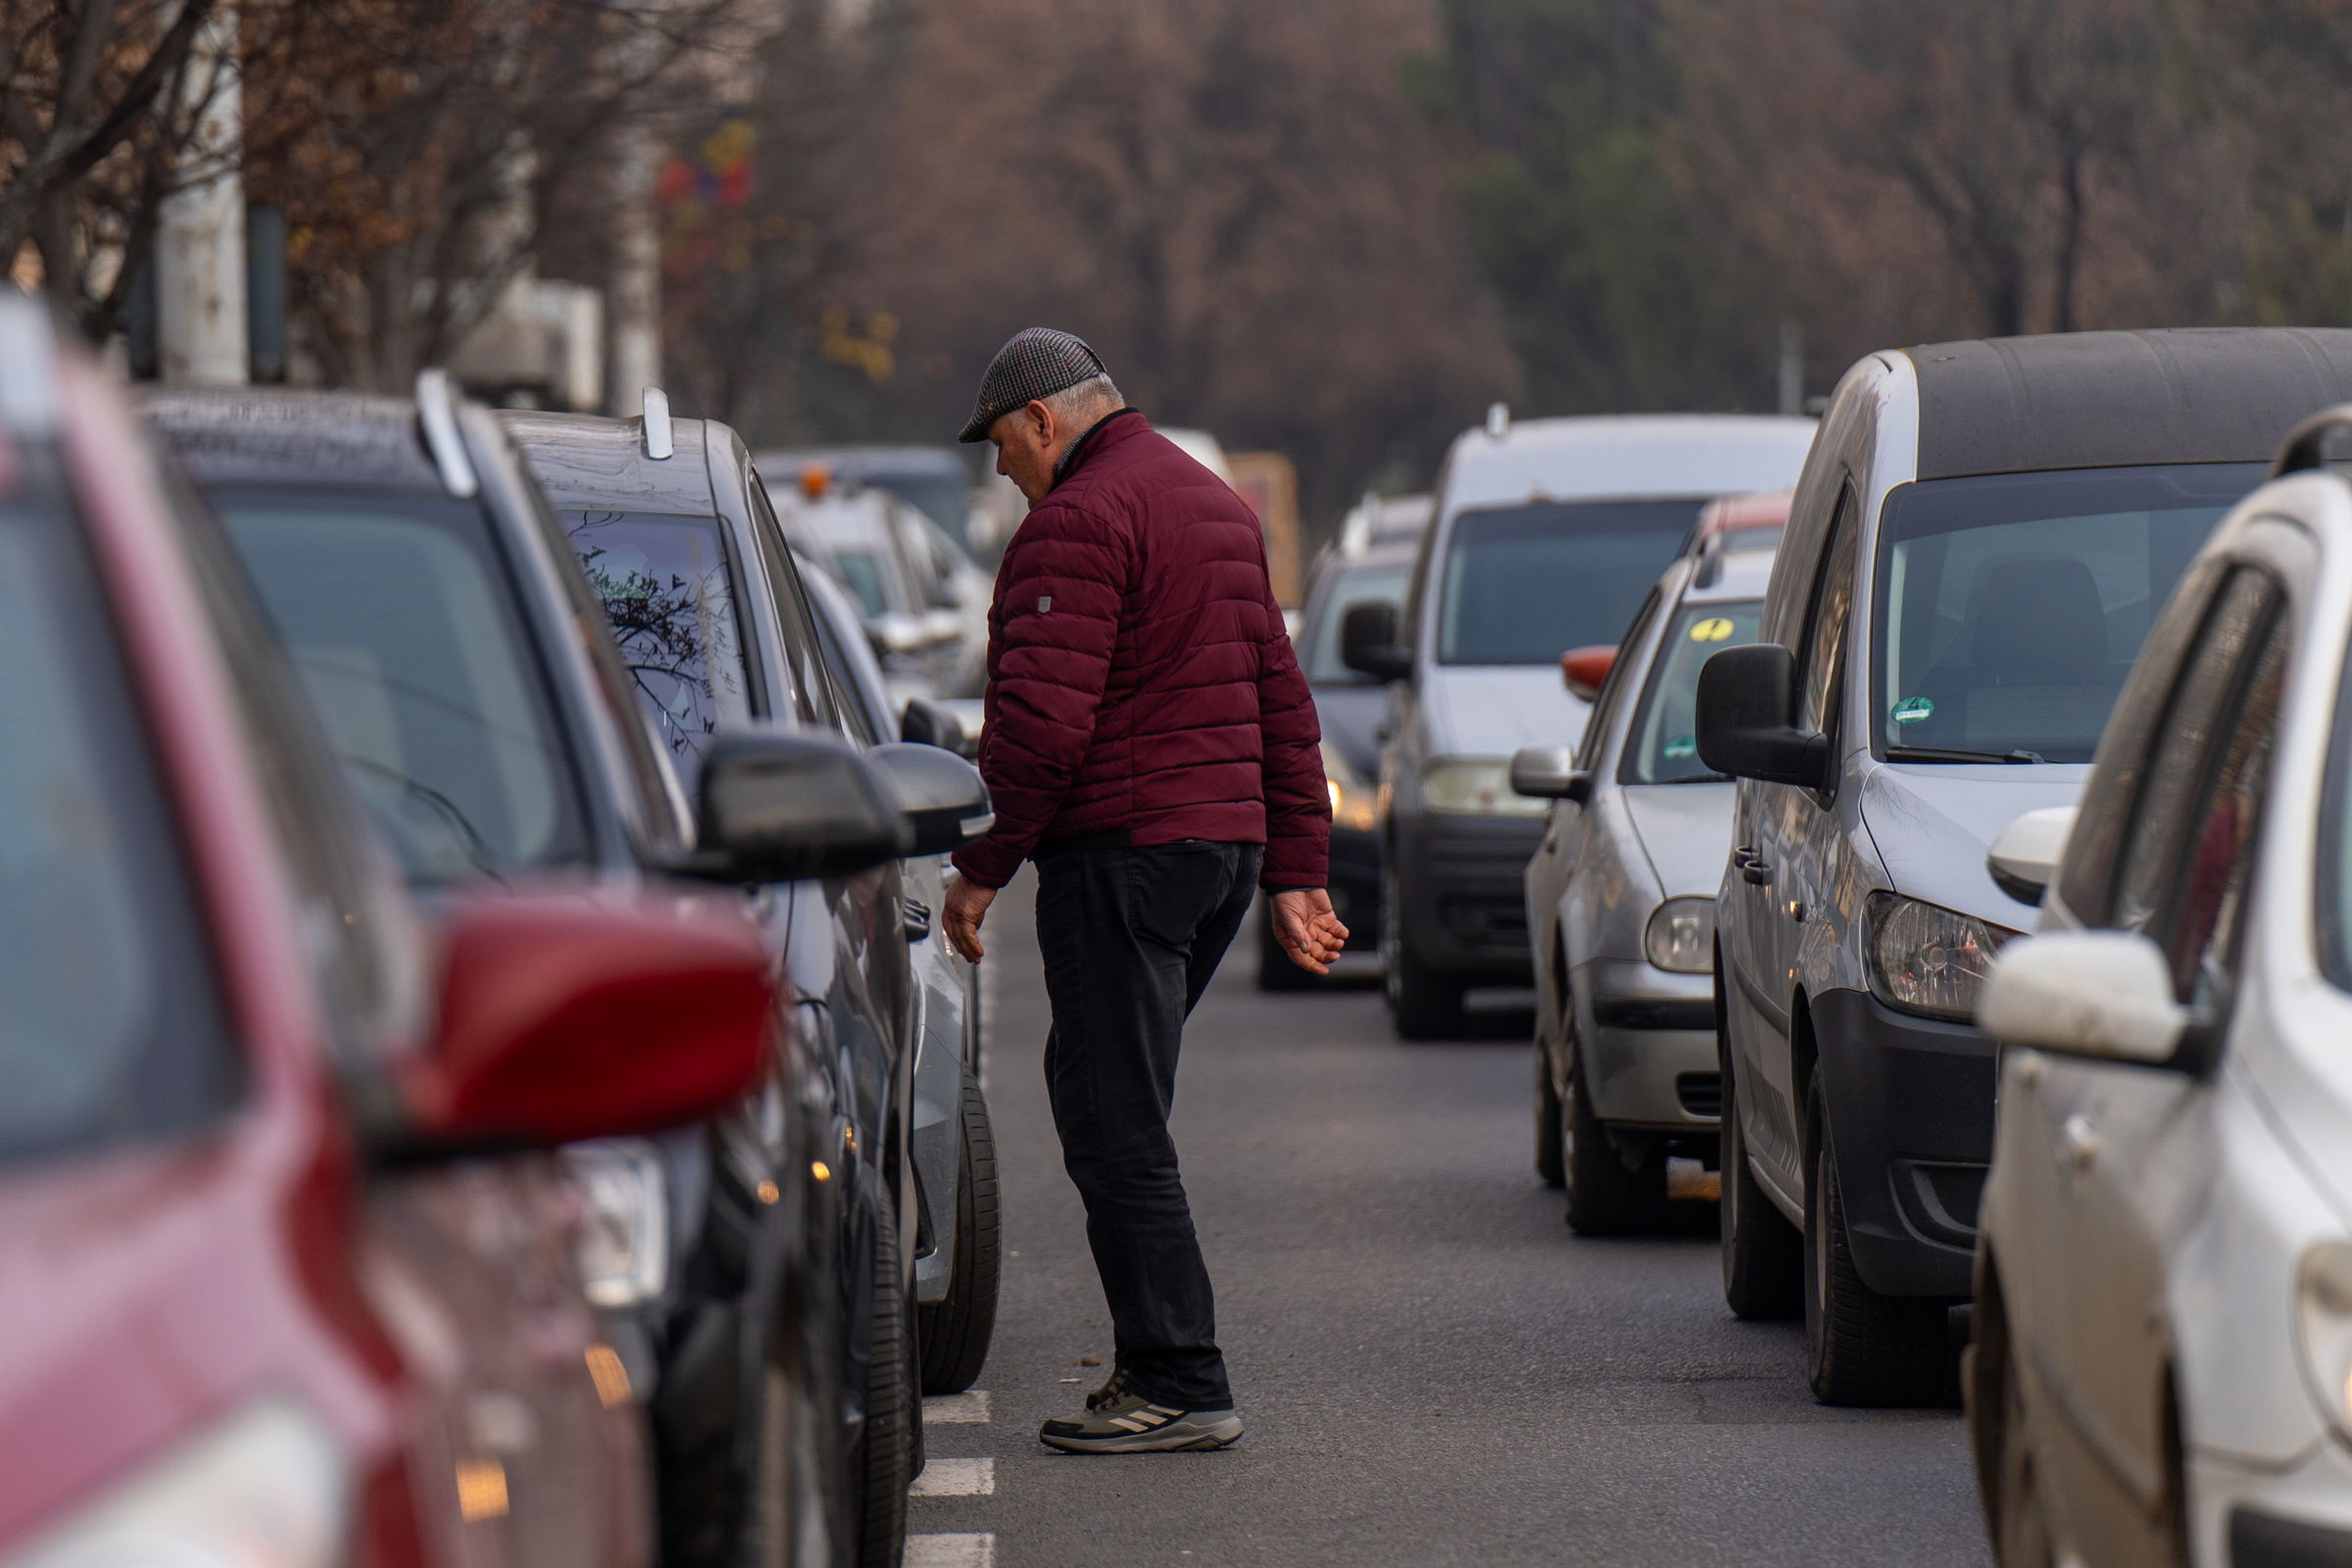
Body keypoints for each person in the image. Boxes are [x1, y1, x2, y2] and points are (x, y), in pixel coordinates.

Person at [940, 327, 1347, 1454]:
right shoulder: (1215, 507)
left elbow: (1041, 728)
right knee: (1112, 1102)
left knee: (1113, 1120)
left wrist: (980, 868)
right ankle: (1160, 1363)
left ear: (1043, 420)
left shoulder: (1074, 522)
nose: (1005, 472)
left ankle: (1178, 1375)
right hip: (1217, 859)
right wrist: (1297, 869)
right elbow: (1282, 702)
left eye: (1003, 446)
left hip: (1122, 853)